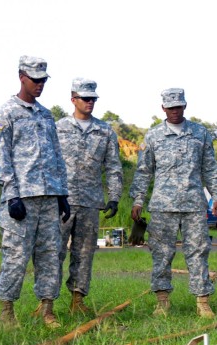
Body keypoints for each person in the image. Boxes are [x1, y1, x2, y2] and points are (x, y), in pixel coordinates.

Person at [0, 56, 70, 329]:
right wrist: (11, 194)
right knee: (16, 257)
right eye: (35, 80)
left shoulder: (46, 115)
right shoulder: (5, 113)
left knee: (50, 255)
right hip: (21, 198)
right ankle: (6, 314)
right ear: (21, 76)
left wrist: (62, 194)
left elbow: (57, 155)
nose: (40, 85)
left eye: (43, 80)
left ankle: (47, 310)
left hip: (49, 197)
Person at [130, 88, 217, 317]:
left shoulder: (199, 133)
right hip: (163, 206)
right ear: (163, 108)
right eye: (170, 107)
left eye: (178, 106)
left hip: (193, 204)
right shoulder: (153, 136)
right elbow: (144, 171)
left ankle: (203, 302)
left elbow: (210, 167)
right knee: (161, 254)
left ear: (185, 106)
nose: (175, 111)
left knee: (198, 252)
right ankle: (162, 302)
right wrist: (138, 200)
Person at [56, 78, 123, 314]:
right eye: (86, 98)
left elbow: (113, 167)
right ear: (73, 99)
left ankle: (77, 300)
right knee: (54, 252)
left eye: (93, 99)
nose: (90, 102)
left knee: (84, 254)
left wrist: (114, 197)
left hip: (90, 202)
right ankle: (46, 304)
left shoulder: (104, 131)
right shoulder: (58, 128)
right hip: (61, 201)